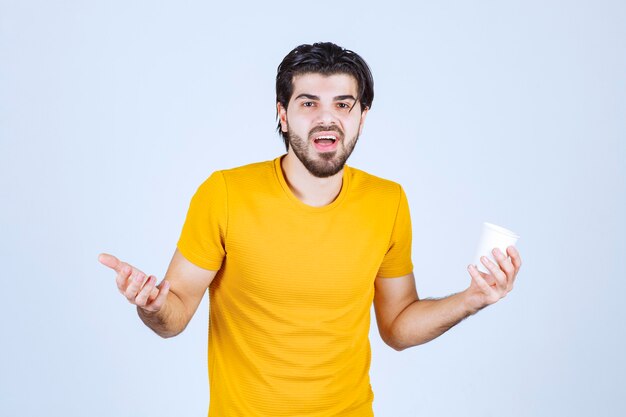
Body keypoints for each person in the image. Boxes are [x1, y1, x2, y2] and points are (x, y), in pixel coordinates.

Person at [99, 42, 522, 416]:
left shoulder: (388, 201)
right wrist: (152, 306)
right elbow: (175, 314)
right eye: (308, 103)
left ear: (362, 117)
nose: (327, 119)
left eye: (343, 104)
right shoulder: (224, 193)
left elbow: (397, 326)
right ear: (282, 115)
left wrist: (472, 299)